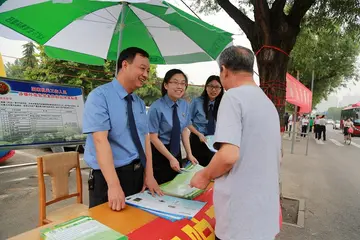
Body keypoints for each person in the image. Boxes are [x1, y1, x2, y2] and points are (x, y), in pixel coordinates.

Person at [190, 46, 281, 240]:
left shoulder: (233, 97)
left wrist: (204, 175)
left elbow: (228, 155)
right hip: (264, 214)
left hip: (240, 220)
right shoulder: (267, 103)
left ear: (224, 70)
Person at [83, 47, 162, 211]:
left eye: (148, 70)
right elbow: (100, 140)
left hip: (137, 175)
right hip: (109, 178)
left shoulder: (139, 103)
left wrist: (149, 175)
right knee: (108, 232)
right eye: (142, 68)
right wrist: (114, 185)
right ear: (125, 65)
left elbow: (145, 139)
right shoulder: (99, 97)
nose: (146, 75)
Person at [148, 69, 198, 185]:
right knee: (162, 187)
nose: (179, 86)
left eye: (183, 83)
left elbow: (184, 130)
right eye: (175, 82)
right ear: (166, 85)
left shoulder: (184, 105)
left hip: (176, 152)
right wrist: (170, 158)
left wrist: (189, 154)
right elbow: (153, 138)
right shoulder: (156, 108)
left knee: (176, 185)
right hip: (160, 152)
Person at [188, 75, 224, 166]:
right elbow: (187, 122)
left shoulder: (223, 104)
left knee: (212, 167)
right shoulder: (197, 102)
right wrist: (198, 134)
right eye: (211, 86)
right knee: (197, 167)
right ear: (206, 87)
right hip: (198, 139)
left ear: (221, 89)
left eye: (217, 87)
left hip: (214, 141)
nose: (214, 90)